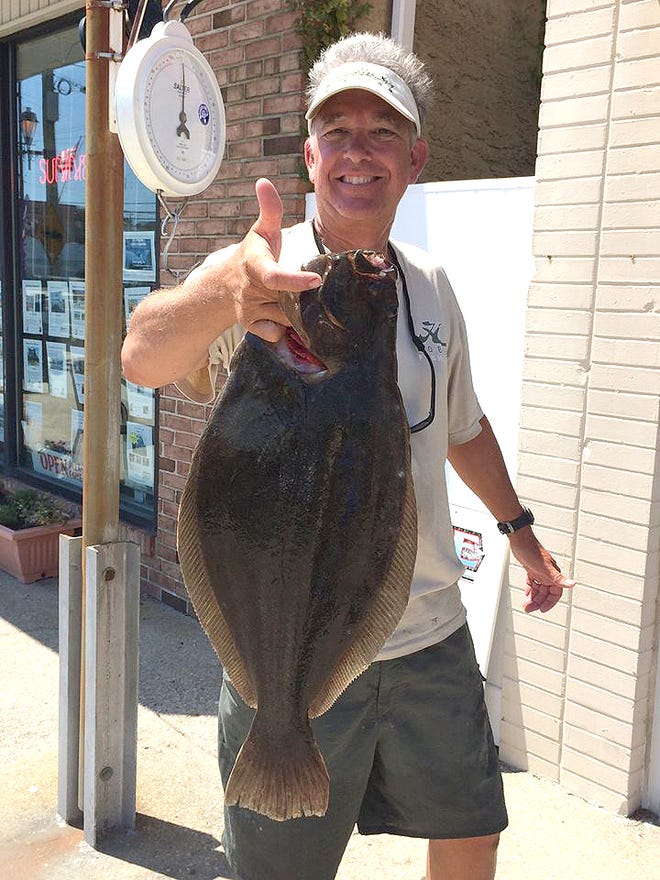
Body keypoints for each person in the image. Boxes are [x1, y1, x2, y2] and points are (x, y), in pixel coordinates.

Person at [122, 31, 575, 880]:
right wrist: (221, 295)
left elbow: (462, 428)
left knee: (472, 834)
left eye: (382, 131)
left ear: (415, 158)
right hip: (283, 643)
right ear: (309, 155)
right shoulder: (259, 274)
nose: (358, 151)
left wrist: (518, 528)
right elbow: (141, 356)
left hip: (428, 633)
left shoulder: (430, 286)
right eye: (338, 131)